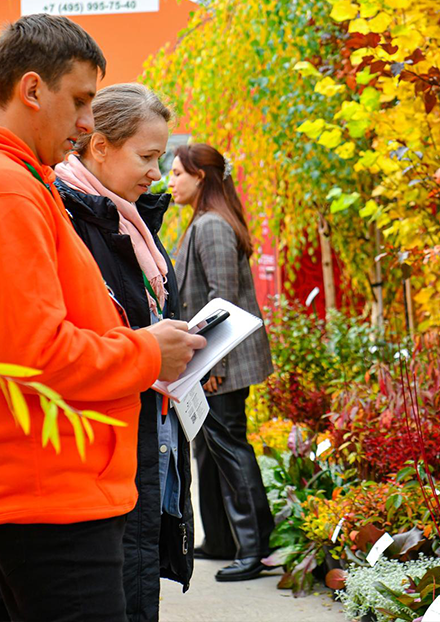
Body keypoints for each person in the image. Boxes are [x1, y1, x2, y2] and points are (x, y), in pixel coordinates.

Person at [0, 14, 205, 622]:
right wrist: (148, 351)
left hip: (44, 484)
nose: (88, 122)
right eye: (80, 100)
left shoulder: (10, 182)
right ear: (32, 89)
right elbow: (33, 356)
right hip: (50, 492)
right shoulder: (0, 190)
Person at [53, 83, 194, 622]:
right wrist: (149, 350)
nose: (157, 173)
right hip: (102, 451)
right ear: (99, 146)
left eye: (160, 158)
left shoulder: (129, 220)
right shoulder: (70, 221)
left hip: (143, 433)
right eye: (147, 157)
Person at [168, 143, 274, 582]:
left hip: (221, 362)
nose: (170, 181)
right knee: (210, 449)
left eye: (177, 173)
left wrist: (214, 367)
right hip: (213, 360)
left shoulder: (212, 224)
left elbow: (222, 302)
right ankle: (221, 540)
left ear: (201, 176)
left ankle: (255, 549)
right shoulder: (205, 221)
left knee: (230, 448)